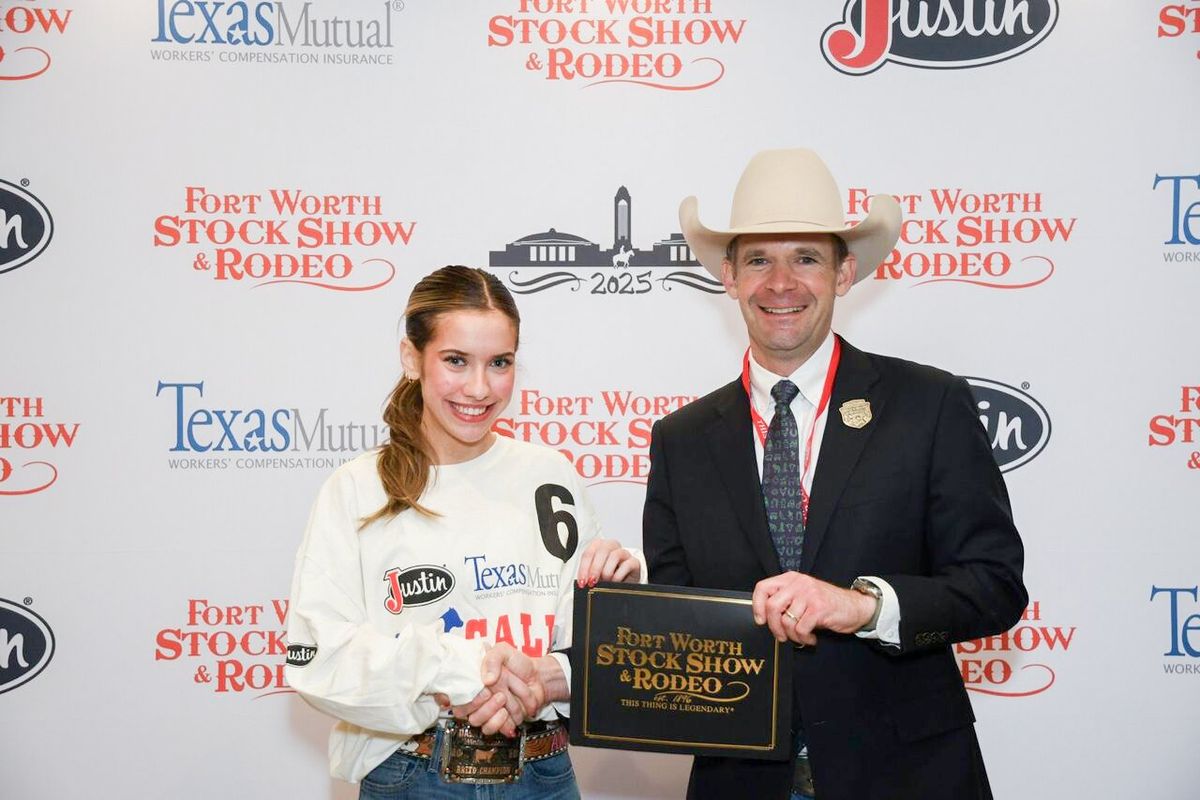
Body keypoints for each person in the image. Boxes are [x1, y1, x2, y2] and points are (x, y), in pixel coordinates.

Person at [643, 149, 1027, 800]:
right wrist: (623, 606)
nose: (781, 282)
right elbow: (682, 631)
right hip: (740, 780)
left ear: (845, 272)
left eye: (807, 258)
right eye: (759, 259)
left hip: (906, 776)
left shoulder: (929, 405)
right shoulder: (680, 441)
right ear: (729, 277)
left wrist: (864, 606)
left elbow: (995, 588)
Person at [285, 265, 642, 799]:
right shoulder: (358, 489)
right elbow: (319, 658)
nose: (480, 388)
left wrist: (623, 587)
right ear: (412, 358)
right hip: (413, 776)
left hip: (544, 775)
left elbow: (587, 644)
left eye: (499, 363)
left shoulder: (549, 475)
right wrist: (459, 672)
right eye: (456, 361)